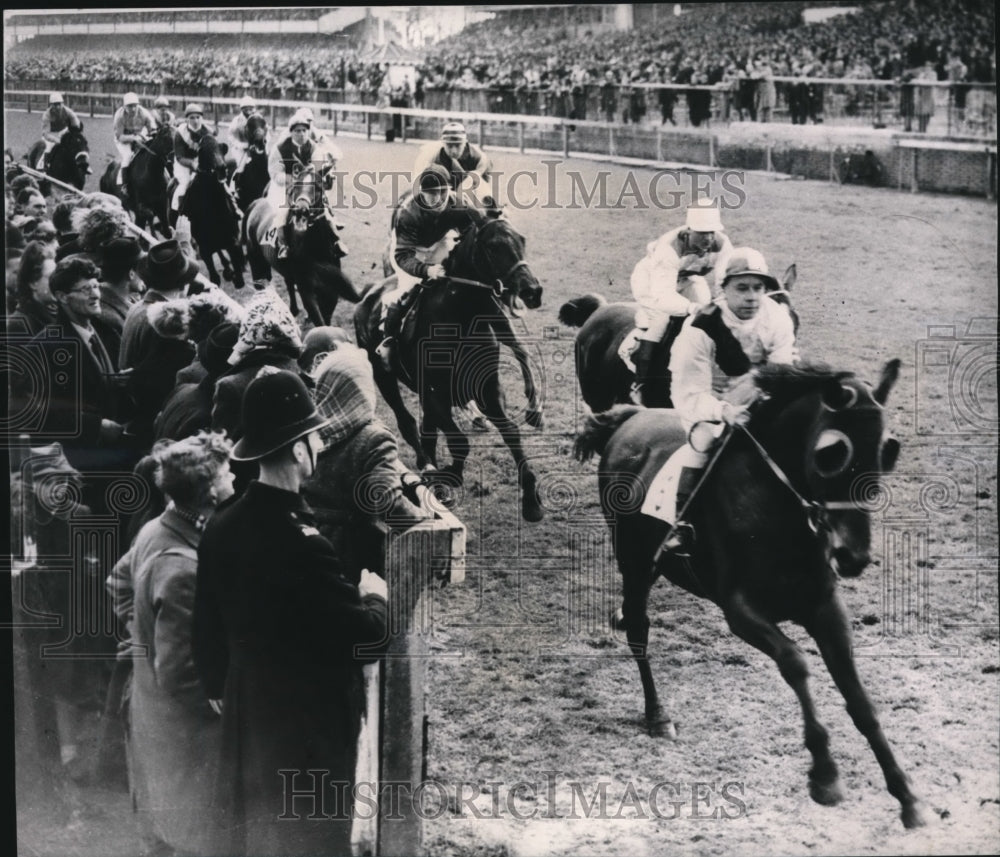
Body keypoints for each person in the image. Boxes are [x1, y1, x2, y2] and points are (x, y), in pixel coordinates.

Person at [194, 369, 389, 857]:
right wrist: (375, 597)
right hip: (308, 731)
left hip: (248, 716)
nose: (321, 444)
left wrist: (223, 686)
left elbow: (207, 628)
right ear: (300, 449)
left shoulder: (223, 523)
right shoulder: (304, 545)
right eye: (316, 436)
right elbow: (367, 638)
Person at [110, 431, 233, 856]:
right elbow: (182, 672)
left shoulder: (154, 530)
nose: (234, 478)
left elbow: (118, 582)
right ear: (211, 488)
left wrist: (140, 635)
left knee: (166, 826)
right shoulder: (185, 569)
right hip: (184, 732)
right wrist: (224, 706)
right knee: (191, 835)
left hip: (151, 709)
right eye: (228, 471)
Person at [659, 248, 797, 553]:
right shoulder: (700, 327)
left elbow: (781, 369)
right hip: (709, 400)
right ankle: (684, 522)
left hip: (758, 396)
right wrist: (725, 411)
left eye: (758, 288)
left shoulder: (776, 317)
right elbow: (689, 392)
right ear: (723, 289)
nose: (751, 297)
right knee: (705, 441)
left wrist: (765, 401)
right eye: (742, 288)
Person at [302, 344, 430, 578]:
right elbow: (388, 502)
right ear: (361, 390)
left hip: (308, 540)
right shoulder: (374, 438)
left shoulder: (310, 430)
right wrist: (426, 523)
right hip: (354, 552)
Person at [377, 164, 486, 365]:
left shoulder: (458, 203)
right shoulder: (409, 212)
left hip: (439, 243)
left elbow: (473, 231)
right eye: (430, 194)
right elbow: (402, 256)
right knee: (408, 291)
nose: (437, 199)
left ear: (449, 190)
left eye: (442, 192)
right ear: (422, 192)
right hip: (410, 251)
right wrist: (427, 270)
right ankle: (388, 340)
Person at [628, 204, 733, 405]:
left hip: (687, 279)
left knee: (709, 319)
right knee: (661, 320)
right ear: (688, 230)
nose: (708, 239)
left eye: (711, 232)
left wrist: (719, 305)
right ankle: (641, 384)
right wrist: (691, 308)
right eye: (702, 233)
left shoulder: (722, 243)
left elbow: (723, 281)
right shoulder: (668, 247)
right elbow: (664, 296)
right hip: (652, 283)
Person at [264, 109, 339, 260]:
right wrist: (290, 178)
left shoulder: (313, 147)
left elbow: (318, 167)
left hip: (307, 186)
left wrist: (316, 173)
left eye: (304, 130)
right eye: (297, 131)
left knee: (324, 209)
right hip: (284, 187)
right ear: (291, 132)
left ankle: (336, 241)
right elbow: (274, 172)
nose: (302, 134)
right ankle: (283, 245)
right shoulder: (279, 149)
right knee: (282, 212)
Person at [412, 121, 494, 209]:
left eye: (458, 145)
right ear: (443, 143)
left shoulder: (479, 158)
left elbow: (476, 187)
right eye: (449, 146)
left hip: (473, 177)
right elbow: (417, 185)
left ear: (465, 143)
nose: (454, 151)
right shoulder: (431, 158)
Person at [172, 104, 214, 214]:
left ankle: (232, 207)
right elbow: (179, 156)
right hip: (183, 163)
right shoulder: (180, 132)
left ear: (202, 118)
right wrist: (192, 164)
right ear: (187, 119)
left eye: (198, 117)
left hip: (202, 162)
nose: (195, 121)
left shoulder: (208, 131)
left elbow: (212, 150)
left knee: (218, 181)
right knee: (185, 183)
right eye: (192, 117)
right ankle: (177, 210)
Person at [112, 92, 158, 194]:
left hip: (139, 135)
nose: (133, 109)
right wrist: (133, 139)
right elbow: (120, 137)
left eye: (134, 106)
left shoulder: (144, 113)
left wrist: (151, 134)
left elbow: (152, 128)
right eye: (129, 106)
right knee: (128, 156)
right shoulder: (119, 116)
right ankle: (124, 184)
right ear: (124, 106)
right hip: (123, 139)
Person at [39, 92, 82, 170]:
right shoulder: (46, 115)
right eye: (55, 105)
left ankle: (82, 165)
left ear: (62, 103)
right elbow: (46, 133)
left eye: (59, 104)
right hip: (51, 135)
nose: (58, 107)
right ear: (51, 105)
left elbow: (76, 125)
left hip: (63, 132)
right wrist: (57, 140)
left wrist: (75, 132)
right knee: (49, 147)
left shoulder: (68, 112)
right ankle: (45, 166)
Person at [227, 95, 262, 179]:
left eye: (251, 108)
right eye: (246, 108)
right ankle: (236, 184)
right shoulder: (236, 120)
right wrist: (240, 145)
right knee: (241, 166)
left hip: (256, 149)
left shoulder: (259, 119)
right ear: (242, 109)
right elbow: (230, 136)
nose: (249, 110)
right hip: (241, 150)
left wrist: (261, 144)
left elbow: (267, 134)